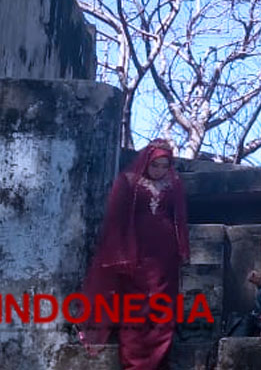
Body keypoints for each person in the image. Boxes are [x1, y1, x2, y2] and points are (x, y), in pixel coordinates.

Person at [82, 139, 190, 370]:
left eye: (164, 165)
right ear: (146, 162)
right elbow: (116, 221)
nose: (160, 170)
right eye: (155, 165)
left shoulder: (174, 184)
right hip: (136, 251)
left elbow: (179, 219)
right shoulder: (128, 181)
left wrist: (180, 249)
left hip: (165, 254)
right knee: (136, 304)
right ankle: (135, 362)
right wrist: (122, 252)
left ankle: (159, 358)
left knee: (162, 303)